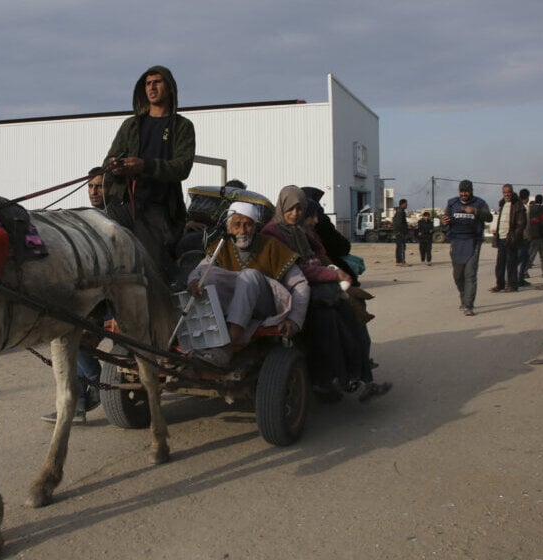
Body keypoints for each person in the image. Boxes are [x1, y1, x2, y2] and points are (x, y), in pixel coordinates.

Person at [262, 186, 391, 401]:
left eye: (299, 209)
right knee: (330, 320)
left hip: (313, 287)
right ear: (282, 206)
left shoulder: (297, 230)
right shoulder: (273, 233)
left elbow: (316, 254)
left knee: (350, 315)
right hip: (291, 292)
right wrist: (332, 274)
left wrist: (332, 271)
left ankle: (359, 378)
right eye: (291, 209)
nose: (295, 213)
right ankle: (335, 379)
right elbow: (293, 268)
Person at [185, 201, 309, 368]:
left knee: (249, 276)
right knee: (207, 274)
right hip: (234, 308)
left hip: (266, 309)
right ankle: (204, 343)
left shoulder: (271, 246)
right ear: (229, 228)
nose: (242, 231)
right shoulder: (221, 246)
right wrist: (193, 282)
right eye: (237, 225)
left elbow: (300, 284)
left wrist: (294, 320)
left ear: (255, 227)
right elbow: (199, 271)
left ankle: (226, 347)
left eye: (248, 225)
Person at [102, 65, 196, 279]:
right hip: (123, 205)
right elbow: (107, 161)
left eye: (157, 82)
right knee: (103, 254)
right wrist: (115, 166)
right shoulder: (131, 125)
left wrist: (145, 165)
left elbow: (183, 167)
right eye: (147, 83)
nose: (151, 87)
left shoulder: (182, 126)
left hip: (158, 210)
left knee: (152, 271)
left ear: (169, 88)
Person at [41, 169, 108, 424]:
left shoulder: (114, 219)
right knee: (67, 337)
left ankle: (96, 383)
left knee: (74, 341)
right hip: (86, 295)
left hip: (106, 298)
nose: (94, 191)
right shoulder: (82, 217)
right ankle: (78, 404)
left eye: (99, 186)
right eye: (91, 187)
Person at [441, 180, 492, 316]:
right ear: (459, 191)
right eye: (461, 191)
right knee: (458, 275)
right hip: (456, 242)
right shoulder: (452, 203)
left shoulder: (479, 203)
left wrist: (475, 211)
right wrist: (444, 222)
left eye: (466, 191)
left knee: (470, 275)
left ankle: (468, 305)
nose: (464, 194)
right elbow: (445, 220)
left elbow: (489, 218)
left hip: (473, 242)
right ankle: (463, 297)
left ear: (471, 191)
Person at [490, 184, 527, 293]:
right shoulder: (502, 204)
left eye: (508, 192)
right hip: (501, 238)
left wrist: (514, 237)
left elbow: (521, 224)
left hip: (511, 238)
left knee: (511, 263)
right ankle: (500, 285)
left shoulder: (518, 205)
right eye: (504, 192)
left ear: (512, 192)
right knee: (500, 264)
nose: (507, 194)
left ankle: (512, 285)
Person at [516, 188, 532, 285]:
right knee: (521, 259)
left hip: (520, 237)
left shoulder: (516, 206)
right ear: (527, 198)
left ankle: (519, 278)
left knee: (522, 258)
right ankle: (518, 279)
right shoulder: (525, 208)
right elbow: (528, 224)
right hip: (523, 237)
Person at [393, 198, 409, 266]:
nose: (407, 205)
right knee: (401, 247)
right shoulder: (400, 212)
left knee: (399, 246)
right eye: (406, 204)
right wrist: (402, 231)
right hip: (400, 232)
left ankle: (399, 261)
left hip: (399, 232)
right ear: (403, 204)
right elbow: (400, 223)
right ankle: (401, 262)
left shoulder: (399, 211)